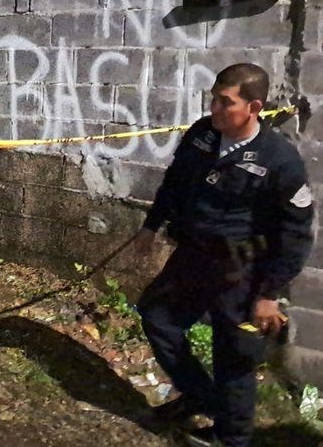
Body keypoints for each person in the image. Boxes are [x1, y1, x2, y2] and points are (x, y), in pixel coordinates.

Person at [133, 63, 314, 447]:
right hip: (194, 258)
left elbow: (296, 234)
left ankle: (231, 438)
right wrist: (151, 225)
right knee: (158, 317)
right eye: (213, 98)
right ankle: (200, 395)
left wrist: (269, 294)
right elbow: (174, 183)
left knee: (234, 357)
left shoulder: (279, 160)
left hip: (243, 273)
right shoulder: (203, 134)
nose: (214, 108)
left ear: (254, 107)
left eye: (225, 102)